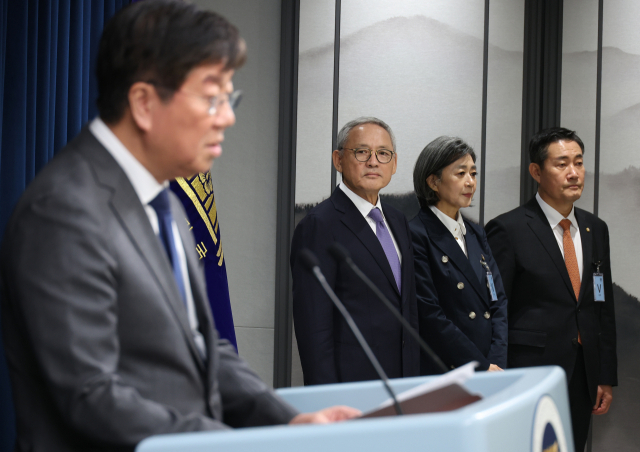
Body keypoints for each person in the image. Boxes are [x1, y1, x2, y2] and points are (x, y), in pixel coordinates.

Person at [0, 2, 357, 451]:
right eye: (212, 97)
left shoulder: (163, 200)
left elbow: (202, 346)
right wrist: (235, 445)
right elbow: (91, 395)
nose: (227, 116)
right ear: (144, 103)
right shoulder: (63, 212)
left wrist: (288, 421)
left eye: (230, 98)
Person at [485, 127, 617, 452]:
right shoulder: (508, 229)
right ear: (536, 171)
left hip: (583, 375)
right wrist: (495, 371)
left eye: (579, 162)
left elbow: (602, 303)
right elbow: (493, 310)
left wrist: (604, 375)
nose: (573, 173)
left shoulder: (595, 228)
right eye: (561, 164)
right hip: (529, 372)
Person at [290, 117, 420, 385]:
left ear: (394, 164)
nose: (373, 162)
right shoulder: (319, 225)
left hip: (404, 382)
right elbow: (313, 325)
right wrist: (327, 397)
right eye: (362, 152)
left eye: (383, 154)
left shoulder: (398, 221)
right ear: (338, 160)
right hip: (352, 386)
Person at [409, 136, 508, 375]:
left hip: (491, 367)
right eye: (460, 173)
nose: (470, 182)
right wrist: (480, 365)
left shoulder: (475, 232)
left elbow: (498, 302)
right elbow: (429, 314)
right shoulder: (416, 234)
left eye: (473, 174)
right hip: (448, 369)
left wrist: (496, 360)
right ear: (433, 181)